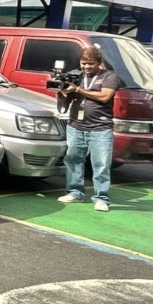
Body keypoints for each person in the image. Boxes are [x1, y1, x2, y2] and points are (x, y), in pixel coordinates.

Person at [57, 45, 122, 212]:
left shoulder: (109, 76)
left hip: (100, 127)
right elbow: (66, 103)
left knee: (101, 164)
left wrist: (78, 89)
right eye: (83, 63)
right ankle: (75, 192)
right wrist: (62, 93)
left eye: (90, 63)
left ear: (99, 63)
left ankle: (101, 198)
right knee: (73, 160)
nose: (86, 67)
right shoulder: (76, 76)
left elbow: (105, 96)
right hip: (75, 126)